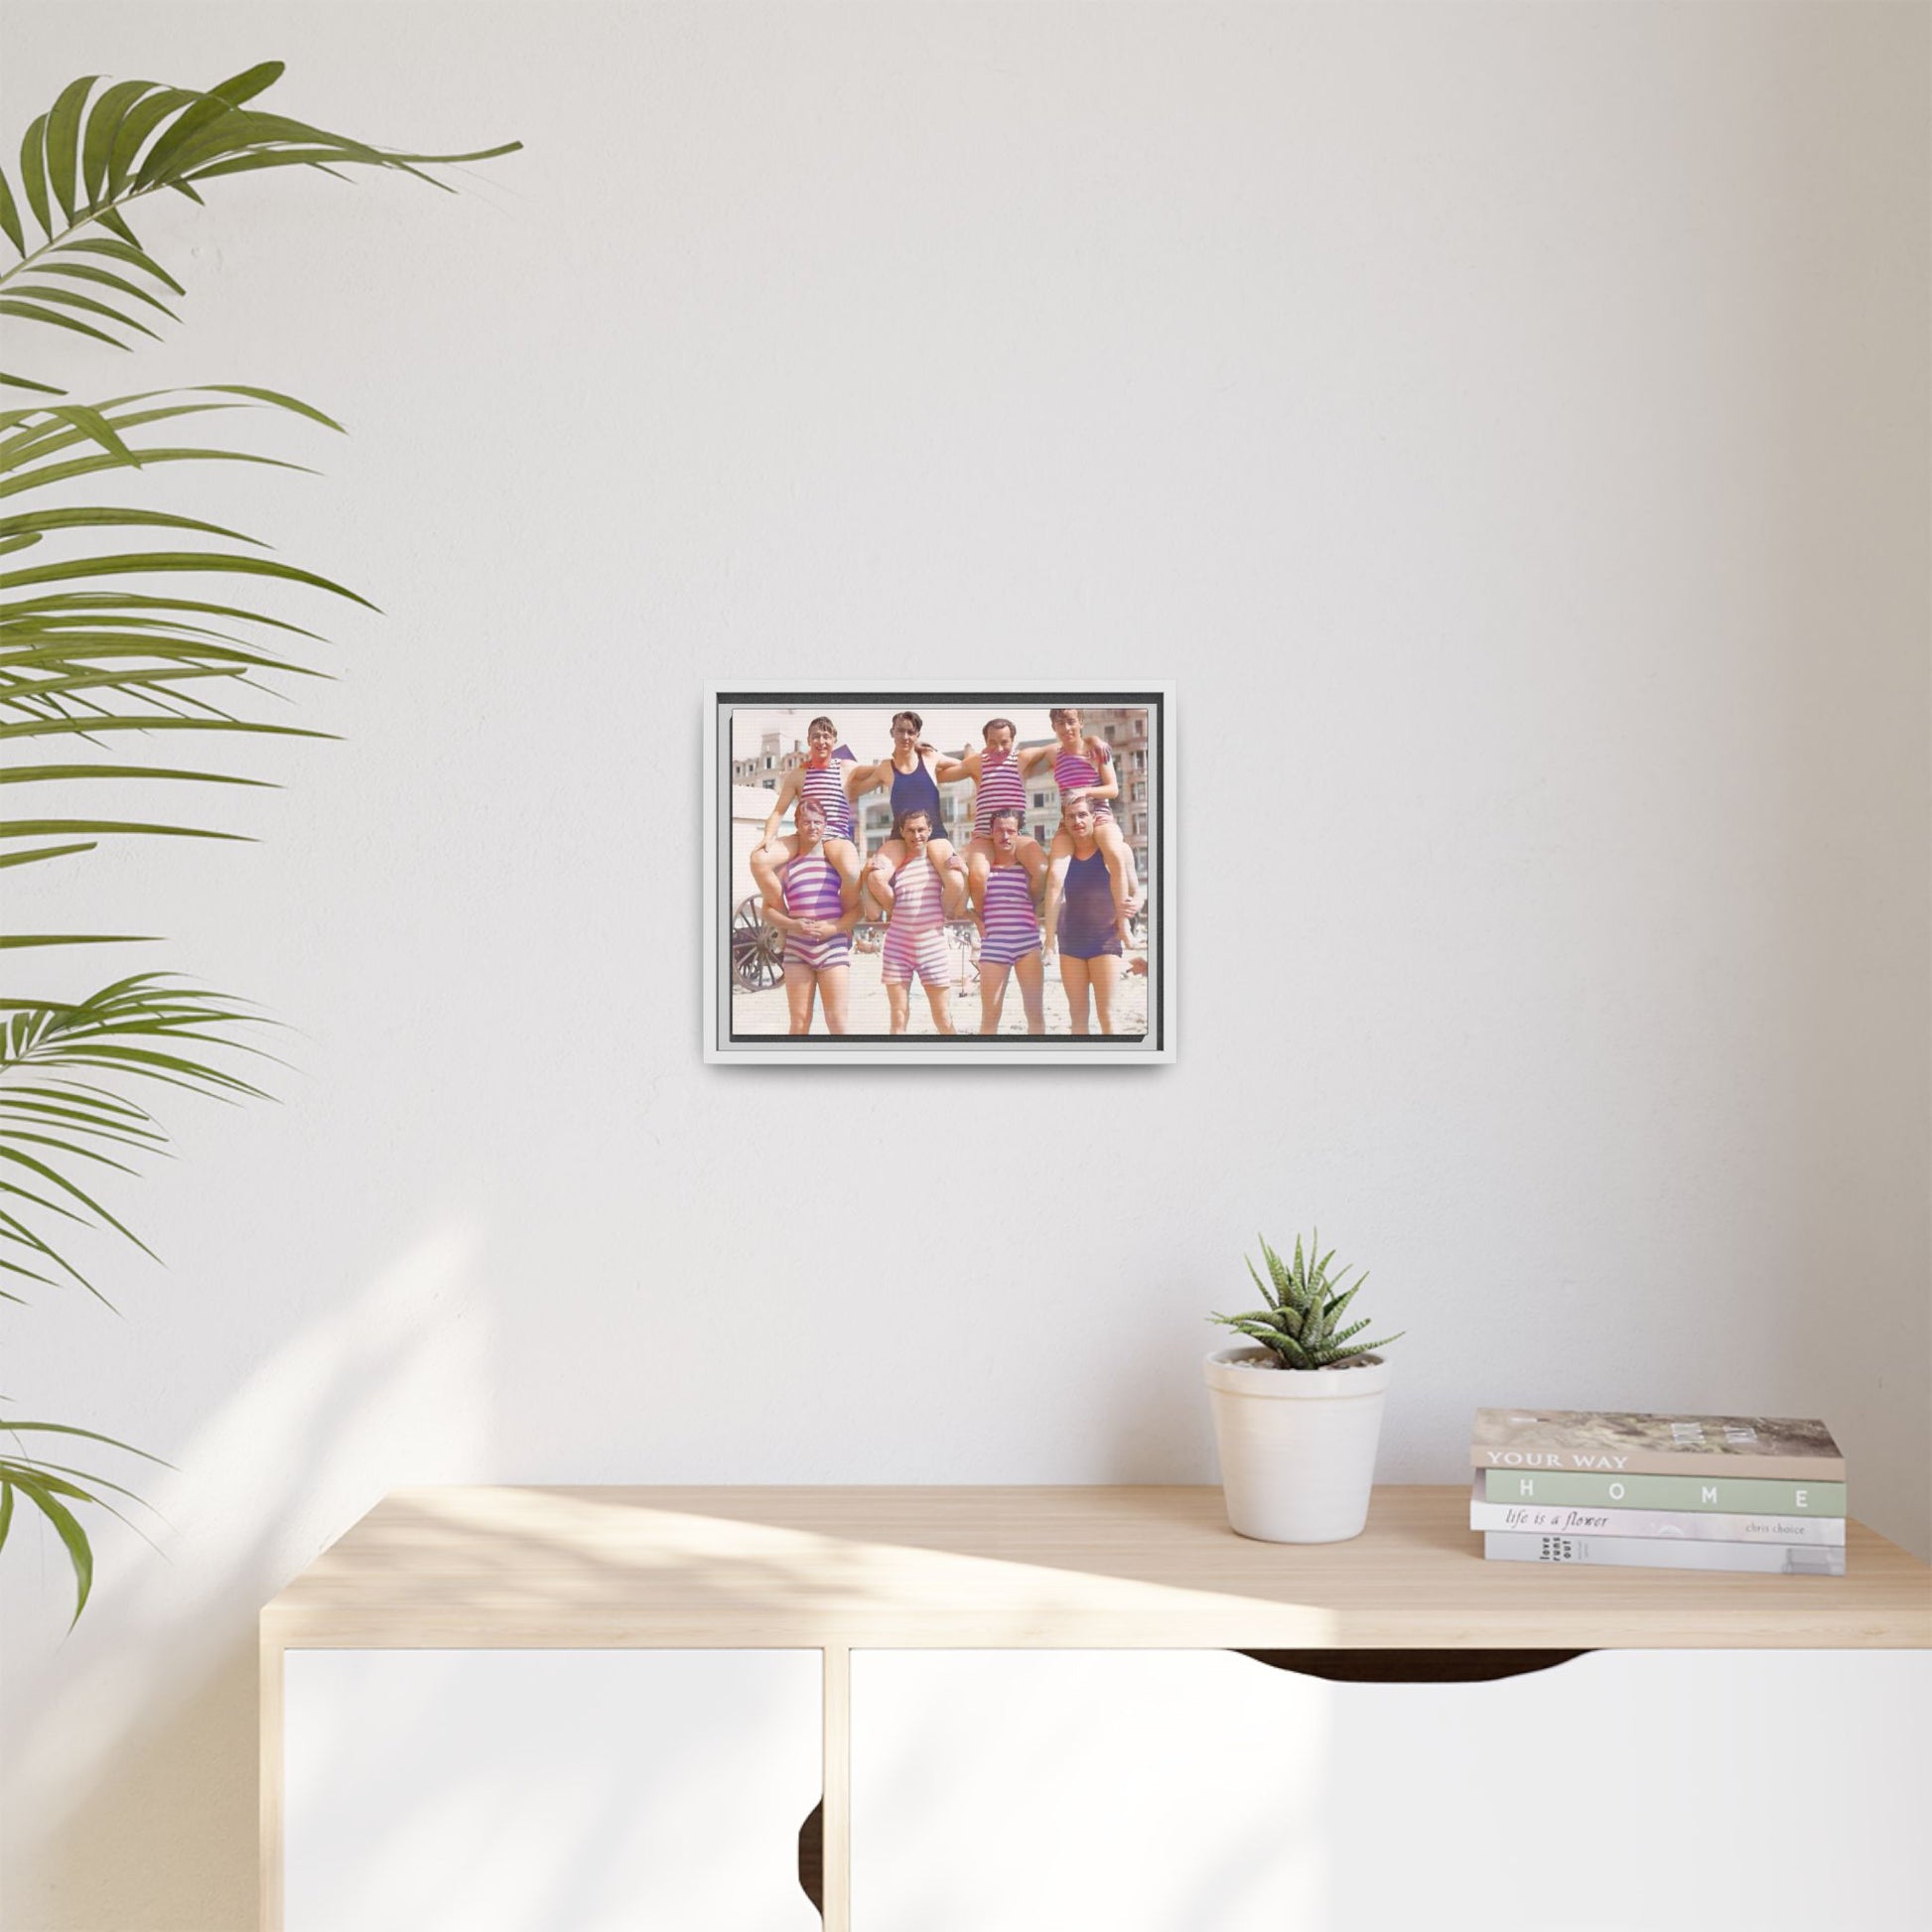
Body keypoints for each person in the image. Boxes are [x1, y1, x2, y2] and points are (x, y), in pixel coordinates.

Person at [935, 716, 1099, 905]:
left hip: (1018, 833)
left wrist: (1094, 740)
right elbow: (943, 775)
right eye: (992, 743)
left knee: (1043, 870)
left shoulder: (1022, 758)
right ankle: (983, 919)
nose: (998, 749)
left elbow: (1056, 748)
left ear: (1013, 741)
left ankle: (1029, 907)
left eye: (1004, 742)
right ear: (985, 742)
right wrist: (931, 756)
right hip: (985, 836)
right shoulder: (977, 763)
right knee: (978, 876)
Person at [757, 793, 860, 1035]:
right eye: (806, 821)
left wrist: (832, 929)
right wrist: (794, 926)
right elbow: (767, 911)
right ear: (797, 825)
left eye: (817, 822)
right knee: (799, 1022)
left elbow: (857, 911)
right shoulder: (786, 867)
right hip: (797, 950)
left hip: (832, 948)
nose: (812, 826)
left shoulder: (836, 863)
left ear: (825, 825)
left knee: (837, 1022)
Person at [866, 807, 965, 1035]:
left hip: (932, 946)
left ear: (930, 830)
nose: (916, 835)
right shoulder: (895, 867)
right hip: (897, 948)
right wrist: (866, 873)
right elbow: (875, 908)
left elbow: (956, 895)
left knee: (942, 1017)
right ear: (901, 831)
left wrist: (965, 869)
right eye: (910, 830)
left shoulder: (938, 866)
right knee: (898, 1017)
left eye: (921, 829)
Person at [1045, 705, 1141, 926]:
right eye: (1060, 723)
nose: (1067, 728)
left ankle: (1124, 925)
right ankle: (1049, 941)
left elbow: (1113, 789)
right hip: (1069, 820)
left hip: (1099, 814)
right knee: (1055, 874)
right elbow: (1028, 756)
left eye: (1071, 722)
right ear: (1053, 727)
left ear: (1081, 722)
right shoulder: (1053, 753)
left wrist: (1084, 790)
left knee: (1115, 857)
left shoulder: (1096, 750)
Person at [858, 708, 960, 911]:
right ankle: (901, 918)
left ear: (918, 735)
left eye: (911, 732)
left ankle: (938, 918)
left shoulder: (930, 758)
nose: (905, 737)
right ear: (892, 733)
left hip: (935, 835)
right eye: (901, 731)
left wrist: (935, 755)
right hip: (900, 836)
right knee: (876, 878)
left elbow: (963, 765)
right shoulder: (886, 768)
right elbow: (856, 790)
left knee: (956, 882)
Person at [1043, 794, 1128, 1035]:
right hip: (1071, 942)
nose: (1077, 821)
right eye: (1071, 816)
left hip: (1105, 940)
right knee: (1078, 1017)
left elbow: (1135, 892)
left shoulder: (1113, 851)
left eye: (1082, 815)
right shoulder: (1062, 858)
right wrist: (1050, 941)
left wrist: (1131, 909)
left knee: (1107, 1015)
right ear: (1064, 821)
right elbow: (1053, 890)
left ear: (1093, 817)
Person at [969, 806, 1047, 1035]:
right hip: (994, 947)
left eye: (1011, 831)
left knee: (1035, 1015)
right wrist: (976, 920)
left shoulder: (1028, 871)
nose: (1005, 836)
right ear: (991, 833)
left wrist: (1039, 912)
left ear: (1018, 834)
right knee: (990, 1018)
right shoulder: (981, 872)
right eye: (1000, 831)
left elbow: (1047, 897)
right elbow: (957, 908)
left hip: (1028, 945)